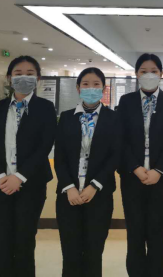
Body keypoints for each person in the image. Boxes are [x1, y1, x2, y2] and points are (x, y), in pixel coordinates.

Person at [0, 55, 57, 277]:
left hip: (31, 184)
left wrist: (20, 176)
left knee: (25, 241)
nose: (24, 77)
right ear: (9, 78)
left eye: (30, 74)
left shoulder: (45, 108)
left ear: (38, 79)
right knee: (1, 242)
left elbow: (44, 146)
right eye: (18, 73)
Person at [117, 54, 163, 277]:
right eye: (143, 71)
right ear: (136, 74)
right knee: (134, 232)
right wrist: (135, 167)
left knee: (157, 232)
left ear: (161, 74)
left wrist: (159, 170)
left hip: (161, 178)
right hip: (131, 176)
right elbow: (120, 138)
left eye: (154, 71)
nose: (149, 75)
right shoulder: (126, 101)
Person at [54, 67, 119, 277]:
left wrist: (95, 185)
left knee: (94, 252)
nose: (91, 88)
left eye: (96, 84)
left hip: (99, 195)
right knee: (70, 253)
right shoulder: (66, 118)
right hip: (68, 196)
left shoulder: (113, 118)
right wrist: (69, 187)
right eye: (86, 84)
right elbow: (60, 157)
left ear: (104, 89)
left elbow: (115, 155)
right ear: (78, 88)